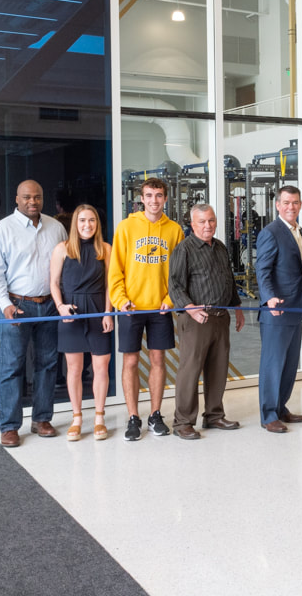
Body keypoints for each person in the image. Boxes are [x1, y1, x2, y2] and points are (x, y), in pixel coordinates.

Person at [0, 179, 68, 447]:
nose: (33, 201)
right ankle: (9, 426)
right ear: (17, 199)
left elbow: (65, 267)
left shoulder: (56, 228)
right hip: (16, 306)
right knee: (11, 365)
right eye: (27, 197)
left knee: (48, 364)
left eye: (38, 197)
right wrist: (5, 304)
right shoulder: (2, 230)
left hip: (49, 305)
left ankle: (42, 419)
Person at [109, 178, 184, 441]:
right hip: (131, 308)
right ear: (141, 198)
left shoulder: (175, 230)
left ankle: (155, 414)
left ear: (165, 198)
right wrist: (120, 301)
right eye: (149, 195)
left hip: (161, 308)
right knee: (130, 362)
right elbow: (115, 270)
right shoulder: (126, 227)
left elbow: (178, 273)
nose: (154, 200)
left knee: (158, 361)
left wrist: (170, 299)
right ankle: (133, 417)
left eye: (159, 195)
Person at [168, 204, 245, 440]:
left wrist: (237, 307)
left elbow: (228, 279)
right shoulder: (184, 249)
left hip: (221, 317)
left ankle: (214, 415)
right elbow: (175, 285)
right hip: (196, 320)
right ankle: (182, 422)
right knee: (190, 371)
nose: (208, 225)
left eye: (211, 220)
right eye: (202, 221)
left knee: (218, 369)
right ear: (192, 225)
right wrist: (191, 310)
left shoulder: (220, 247)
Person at [49, 204, 113, 441]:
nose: (87, 225)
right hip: (71, 312)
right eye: (83, 220)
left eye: (92, 220)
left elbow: (109, 285)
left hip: (98, 310)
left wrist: (108, 313)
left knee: (100, 367)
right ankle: (77, 418)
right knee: (74, 369)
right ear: (75, 224)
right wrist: (60, 307)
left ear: (98, 224)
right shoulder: (62, 249)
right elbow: (54, 283)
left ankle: (99, 418)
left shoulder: (105, 249)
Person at [256, 186, 302, 433]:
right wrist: (269, 299)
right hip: (276, 311)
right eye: (286, 202)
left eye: (295, 202)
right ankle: (268, 415)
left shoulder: (300, 232)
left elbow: (299, 273)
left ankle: (280, 407)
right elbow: (263, 270)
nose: (291, 207)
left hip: (296, 309)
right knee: (273, 364)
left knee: (289, 364)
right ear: (277, 205)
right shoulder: (271, 232)